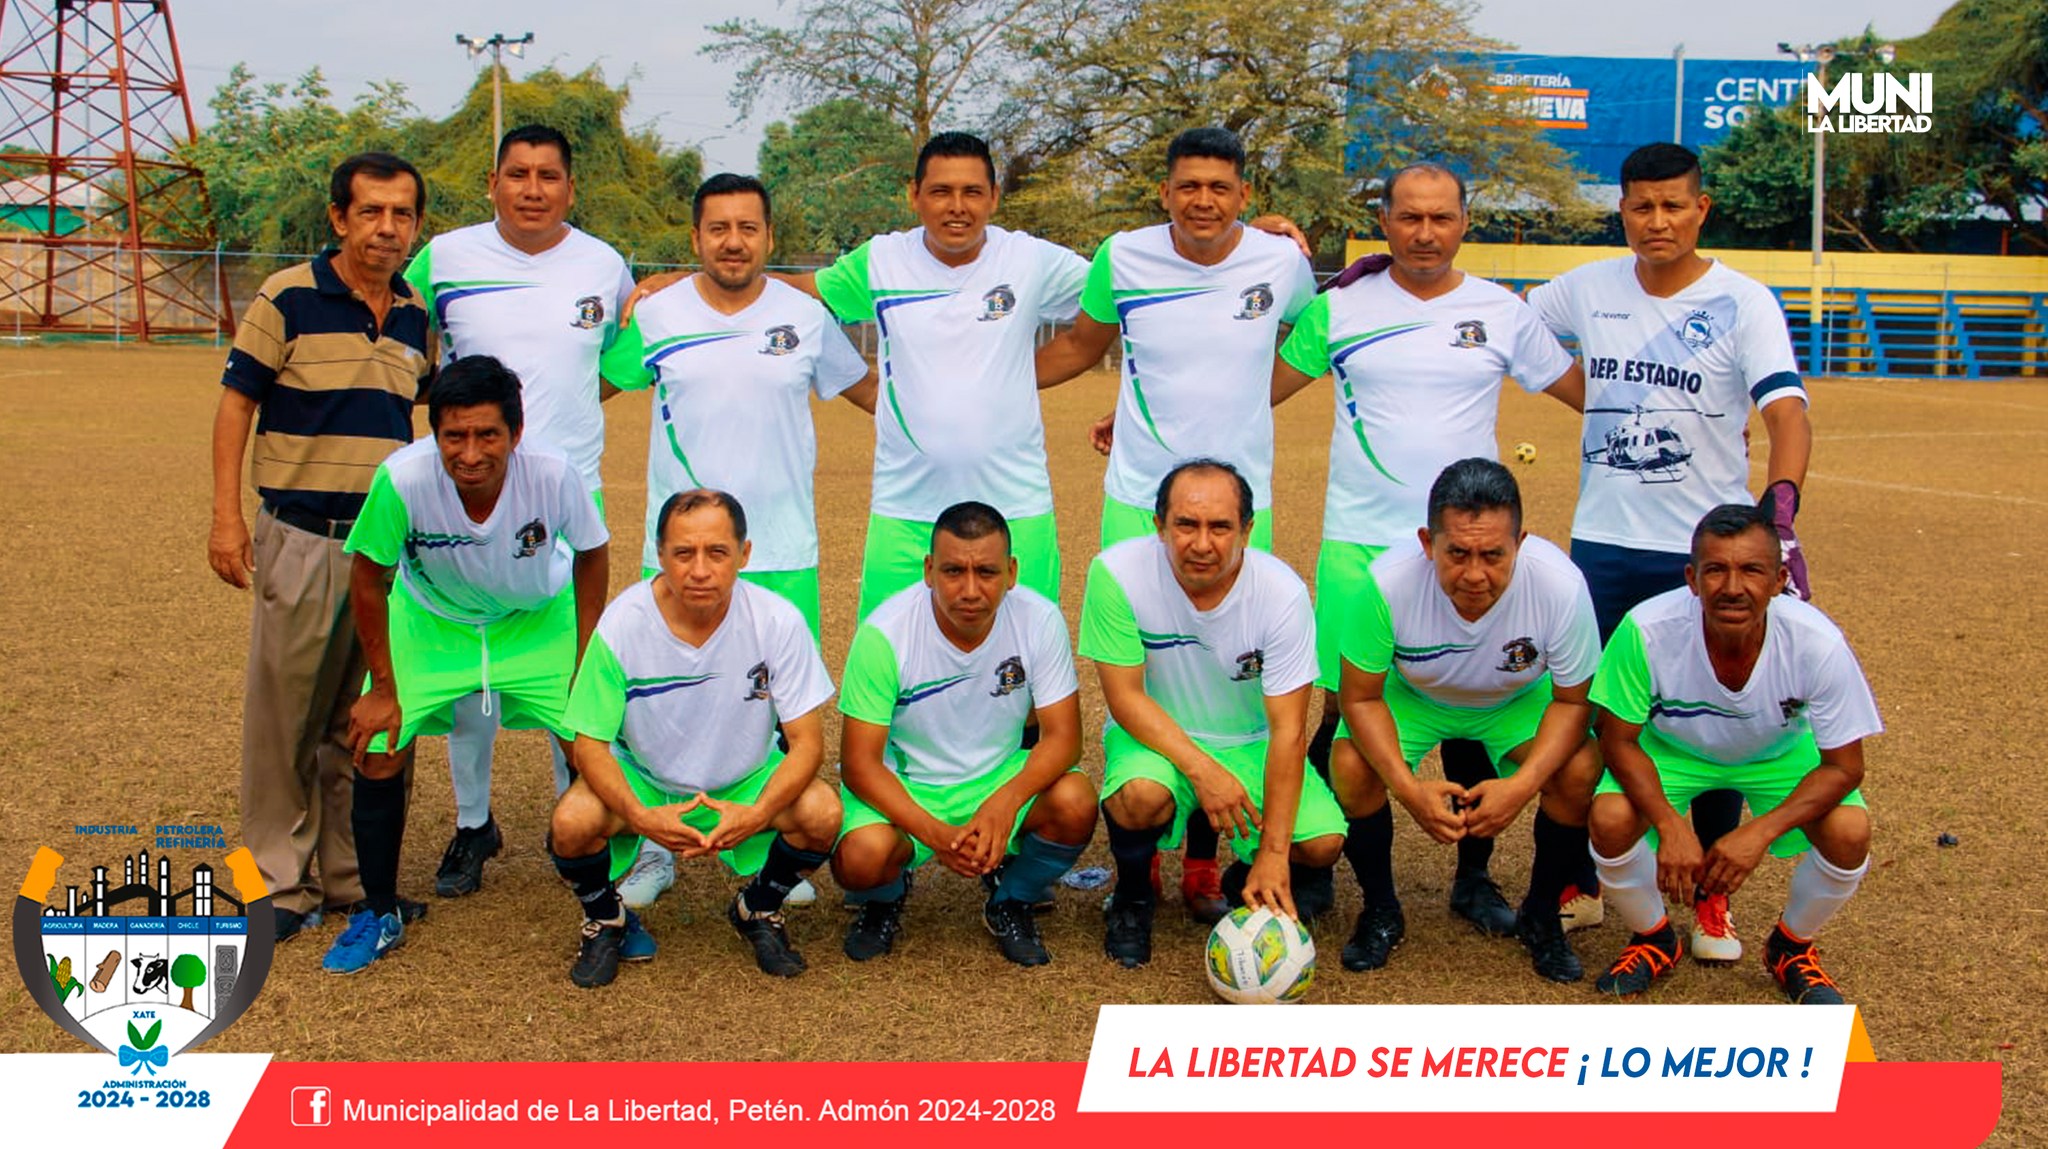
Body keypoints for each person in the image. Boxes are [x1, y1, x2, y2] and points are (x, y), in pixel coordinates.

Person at [1272, 162, 1586, 940]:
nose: (1424, 232)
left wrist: (1695, 423)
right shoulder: (1339, 307)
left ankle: (1473, 878)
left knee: (1477, 703)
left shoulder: (1501, 311)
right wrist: (1257, 245)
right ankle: (1323, 863)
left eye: (1441, 217)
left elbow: (1586, 393)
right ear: (1383, 221)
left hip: (1466, 546)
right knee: (1346, 708)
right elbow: (1254, 389)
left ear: (1464, 222)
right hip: (1360, 541)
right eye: (1408, 217)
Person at [1528, 142, 1815, 960]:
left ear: (1701, 209)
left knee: (1710, 721)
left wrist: (1780, 513)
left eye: (1673, 205)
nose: (1657, 221)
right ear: (1621, 211)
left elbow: (1787, 413)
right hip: (1603, 544)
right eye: (1642, 207)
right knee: (1592, 719)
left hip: (1701, 552)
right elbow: (1503, 324)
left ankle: (1712, 900)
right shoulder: (1585, 288)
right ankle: (1580, 882)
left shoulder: (1744, 301)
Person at [401, 124, 635, 903]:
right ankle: (474, 823)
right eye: (518, 174)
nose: (533, 189)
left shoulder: (605, 264)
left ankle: (581, 821)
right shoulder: (444, 258)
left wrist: (558, 423)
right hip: (464, 489)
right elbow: (405, 340)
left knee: (573, 678)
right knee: (472, 677)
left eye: (548, 175)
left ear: (571, 188)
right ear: (493, 183)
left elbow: (618, 362)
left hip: (567, 497)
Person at [207, 152, 436, 943]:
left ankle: (349, 875)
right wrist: (227, 518)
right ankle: (277, 880)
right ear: (339, 218)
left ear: (416, 226)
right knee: (287, 718)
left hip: (384, 552)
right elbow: (236, 406)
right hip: (303, 535)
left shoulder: (414, 313)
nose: (386, 227)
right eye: (370, 211)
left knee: (365, 711)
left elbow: (424, 420)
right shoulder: (288, 297)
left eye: (401, 214)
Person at [324, 355, 611, 975]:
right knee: (379, 744)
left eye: (488, 435)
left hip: (534, 621)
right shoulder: (402, 479)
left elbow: (592, 553)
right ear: (434, 434)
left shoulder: (555, 473)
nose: (471, 453)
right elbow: (368, 578)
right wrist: (384, 687)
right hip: (435, 622)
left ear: (516, 432)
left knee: (589, 743)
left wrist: (585, 660)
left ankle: (606, 909)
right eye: (454, 436)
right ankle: (378, 912)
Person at [547, 489, 841, 986]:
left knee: (822, 813)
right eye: (683, 553)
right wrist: (640, 816)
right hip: (648, 782)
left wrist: (758, 812)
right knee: (572, 822)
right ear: (660, 554)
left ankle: (757, 907)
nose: (700, 570)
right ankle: (606, 918)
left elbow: (808, 742)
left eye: (717, 552)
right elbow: (589, 744)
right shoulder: (623, 622)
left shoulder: (777, 620)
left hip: (745, 781)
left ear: (744, 554)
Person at [1586, 504, 1875, 1004]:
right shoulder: (1645, 629)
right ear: (1692, 579)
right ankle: (1654, 938)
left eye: (1752, 570)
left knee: (1850, 833)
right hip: (1672, 749)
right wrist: (1671, 824)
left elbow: (1846, 767)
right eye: (1716, 570)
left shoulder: (1818, 642)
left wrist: (1758, 833)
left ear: (1780, 580)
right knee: (1610, 819)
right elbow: (1617, 739)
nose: (1733, 587)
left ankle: (1790, 948)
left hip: (1776, 754)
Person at [1332, 459, 1602, 982]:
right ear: (1427, 543)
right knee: (1349, 763)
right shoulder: (1386, 583)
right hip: (1416, 697)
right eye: (1457, 553)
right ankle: (1382, 909)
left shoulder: (1561, 586)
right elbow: (1360, 698)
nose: (1475, 574)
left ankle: (1541, 914)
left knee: (1579, 767)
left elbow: (1574, 703)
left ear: (1520, 543)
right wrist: (1409, 790)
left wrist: (1521, 786)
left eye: (1493, 555)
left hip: (1513, 700)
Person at [1078, 459, 1346, 968]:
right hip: (1156, 737)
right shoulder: (1116, 573)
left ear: (1247, 530)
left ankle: (1243, 876)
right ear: (1159, 525)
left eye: (1220, 527)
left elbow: (1289, 731)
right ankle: (1133, 899)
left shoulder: (1282, 593)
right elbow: (1125, 699)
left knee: (1322, 844)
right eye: (1186, 524)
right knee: (1140, 797)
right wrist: (1204, 771)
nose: (1201, 544)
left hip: (1249, 741)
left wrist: (1273, 853)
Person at [831, 502, 1095, 966]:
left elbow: (1064, 738)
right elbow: (859, 765)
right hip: (909, 786)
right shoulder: (884, 634)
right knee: (861, 858)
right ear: (928, 570)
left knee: (1075, 801)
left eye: (987, 572)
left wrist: (1004, 802)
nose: (970, 590)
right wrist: (935, 834)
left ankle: (1011, 899)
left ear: (1011, 573)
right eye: (953, 571)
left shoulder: (1040, 619)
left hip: (996, 777)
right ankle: (885, 897)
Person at [1035, 126, 1316, 555]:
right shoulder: (1122, 256)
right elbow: (1078, 345)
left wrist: (1251, 395)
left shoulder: (1282, 260)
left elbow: (1315, 336)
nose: (1203, 200)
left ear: (1243, 195)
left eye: (1219, 188)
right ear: (1165, 192)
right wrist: (989, 380)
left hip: (1241, 500)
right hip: (1137, 497)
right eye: (1189, 187)